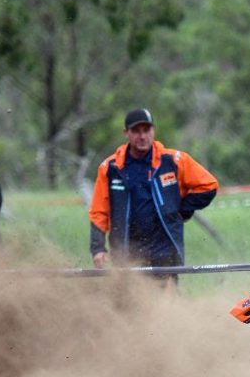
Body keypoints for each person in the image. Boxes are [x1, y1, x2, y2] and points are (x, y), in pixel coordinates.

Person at [88, 108, 219, 281]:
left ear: (153, 131)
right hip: (126, 251)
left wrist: (181, 210)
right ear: (126, 133)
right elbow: (99, 211)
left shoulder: (174, 160)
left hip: (164, 248)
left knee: (165, 303)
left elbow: (209, 186)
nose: (142, 136)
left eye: (146, 130)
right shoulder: (110, 168)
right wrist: (97, 248)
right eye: (136, 131)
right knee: (126, 303)